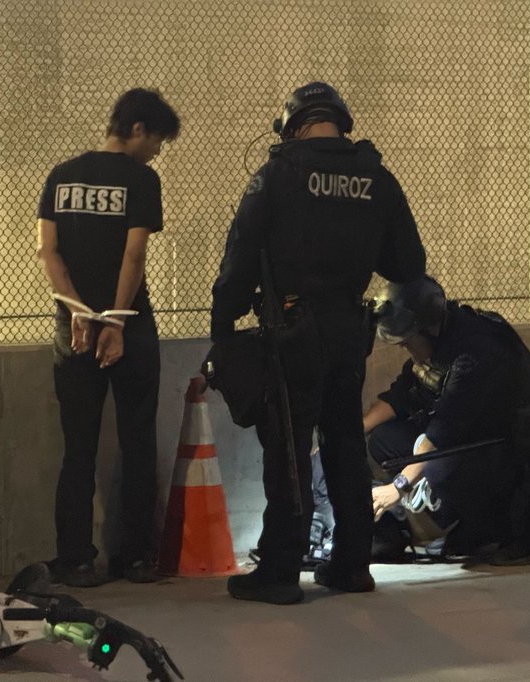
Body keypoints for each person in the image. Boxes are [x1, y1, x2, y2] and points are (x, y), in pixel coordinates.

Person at [210, 81, 426, 604]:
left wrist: (222, 331)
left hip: (291, 331)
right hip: (351, 331)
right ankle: (352, 564)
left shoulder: (277, 175)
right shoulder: (377, 178)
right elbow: (408, 266)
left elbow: (238, 262)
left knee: (288, 448)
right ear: (340, 121)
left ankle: (281, 571)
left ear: (292, 124)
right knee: (345, 445)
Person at [36, 88, 180, 587]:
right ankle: (135, 557)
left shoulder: (60, 175)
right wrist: (116, 322)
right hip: (131, 327)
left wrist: (79, 312)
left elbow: (48, 253)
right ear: (138, 128)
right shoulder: (142, 179)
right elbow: (133, 256)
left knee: (78, 444)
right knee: (137, 439)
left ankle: (75, 558)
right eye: (158, 139)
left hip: (72, 328)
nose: (158, 151)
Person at [364, 274, 530, 563]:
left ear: (427, 329)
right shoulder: (442, 340)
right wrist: (352, 431)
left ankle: (496, 525)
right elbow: (403, 395)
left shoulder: (475, 352)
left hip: (509, 453)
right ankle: (473, 523)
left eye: (408, 343)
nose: (407, 350)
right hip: (472, 443)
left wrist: (397, 487)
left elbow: (443, 431)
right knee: (384, 440)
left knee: (436, 469)